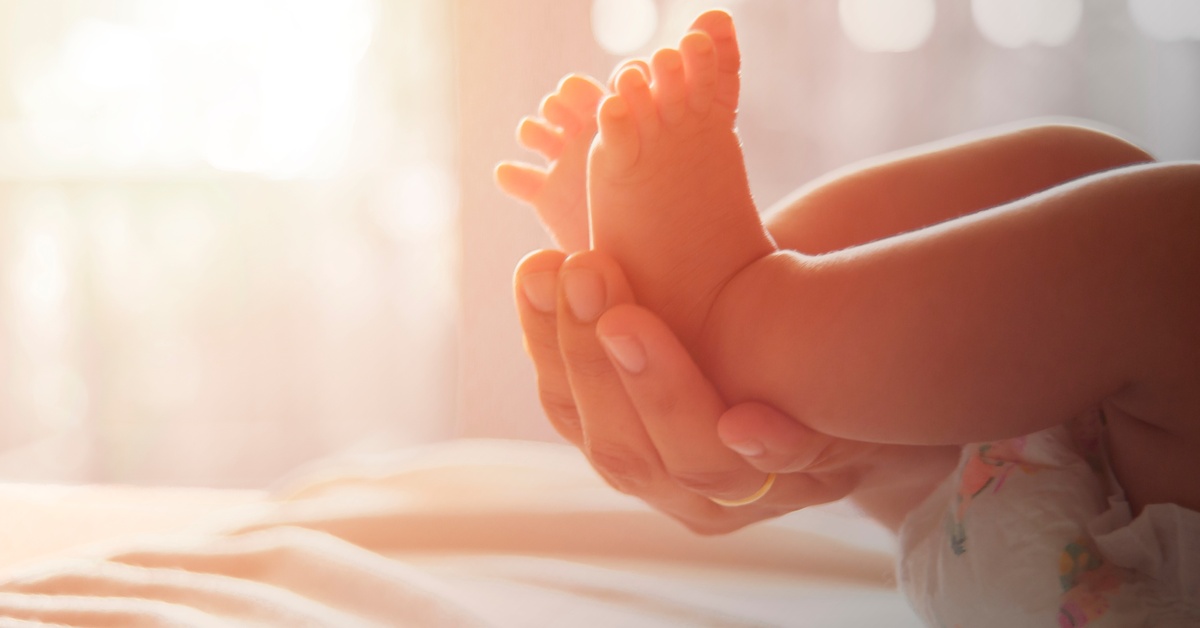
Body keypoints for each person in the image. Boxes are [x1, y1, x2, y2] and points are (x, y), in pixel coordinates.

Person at [498, 10, 1200, 626]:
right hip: (1056, 485)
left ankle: (741, 318)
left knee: (1174, 244)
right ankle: (742, 277)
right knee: (1087, 175)